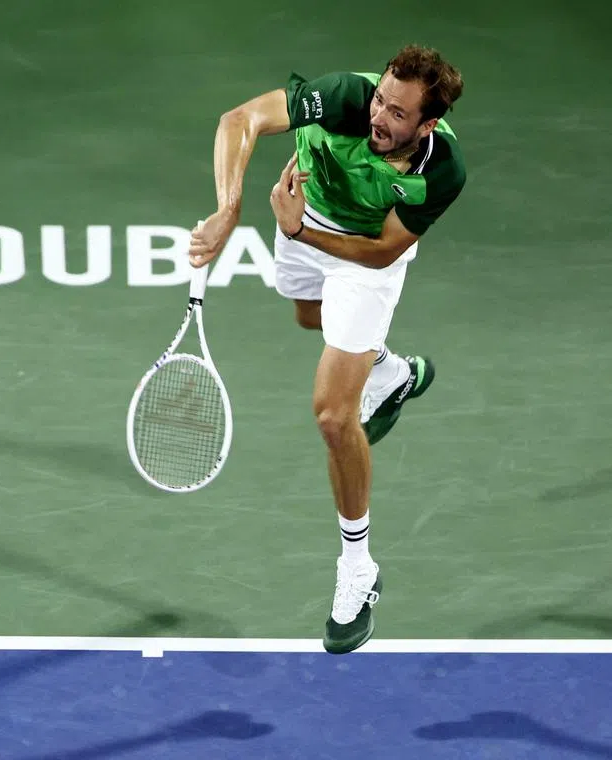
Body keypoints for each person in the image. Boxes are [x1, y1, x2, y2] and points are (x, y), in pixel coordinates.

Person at [188, 45, 467, 654]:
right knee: (307, 317)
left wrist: (299, 231)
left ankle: (357, 569)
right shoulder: (342, 98)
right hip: (304, 211)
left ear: (428, 124)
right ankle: (389, 370)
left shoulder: (440, 170)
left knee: (334, 416)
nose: (379, 116)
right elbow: (240, 121)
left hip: (361, 253)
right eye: (380, 100)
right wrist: (229, 210)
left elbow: (382, 253)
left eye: (398, 114)